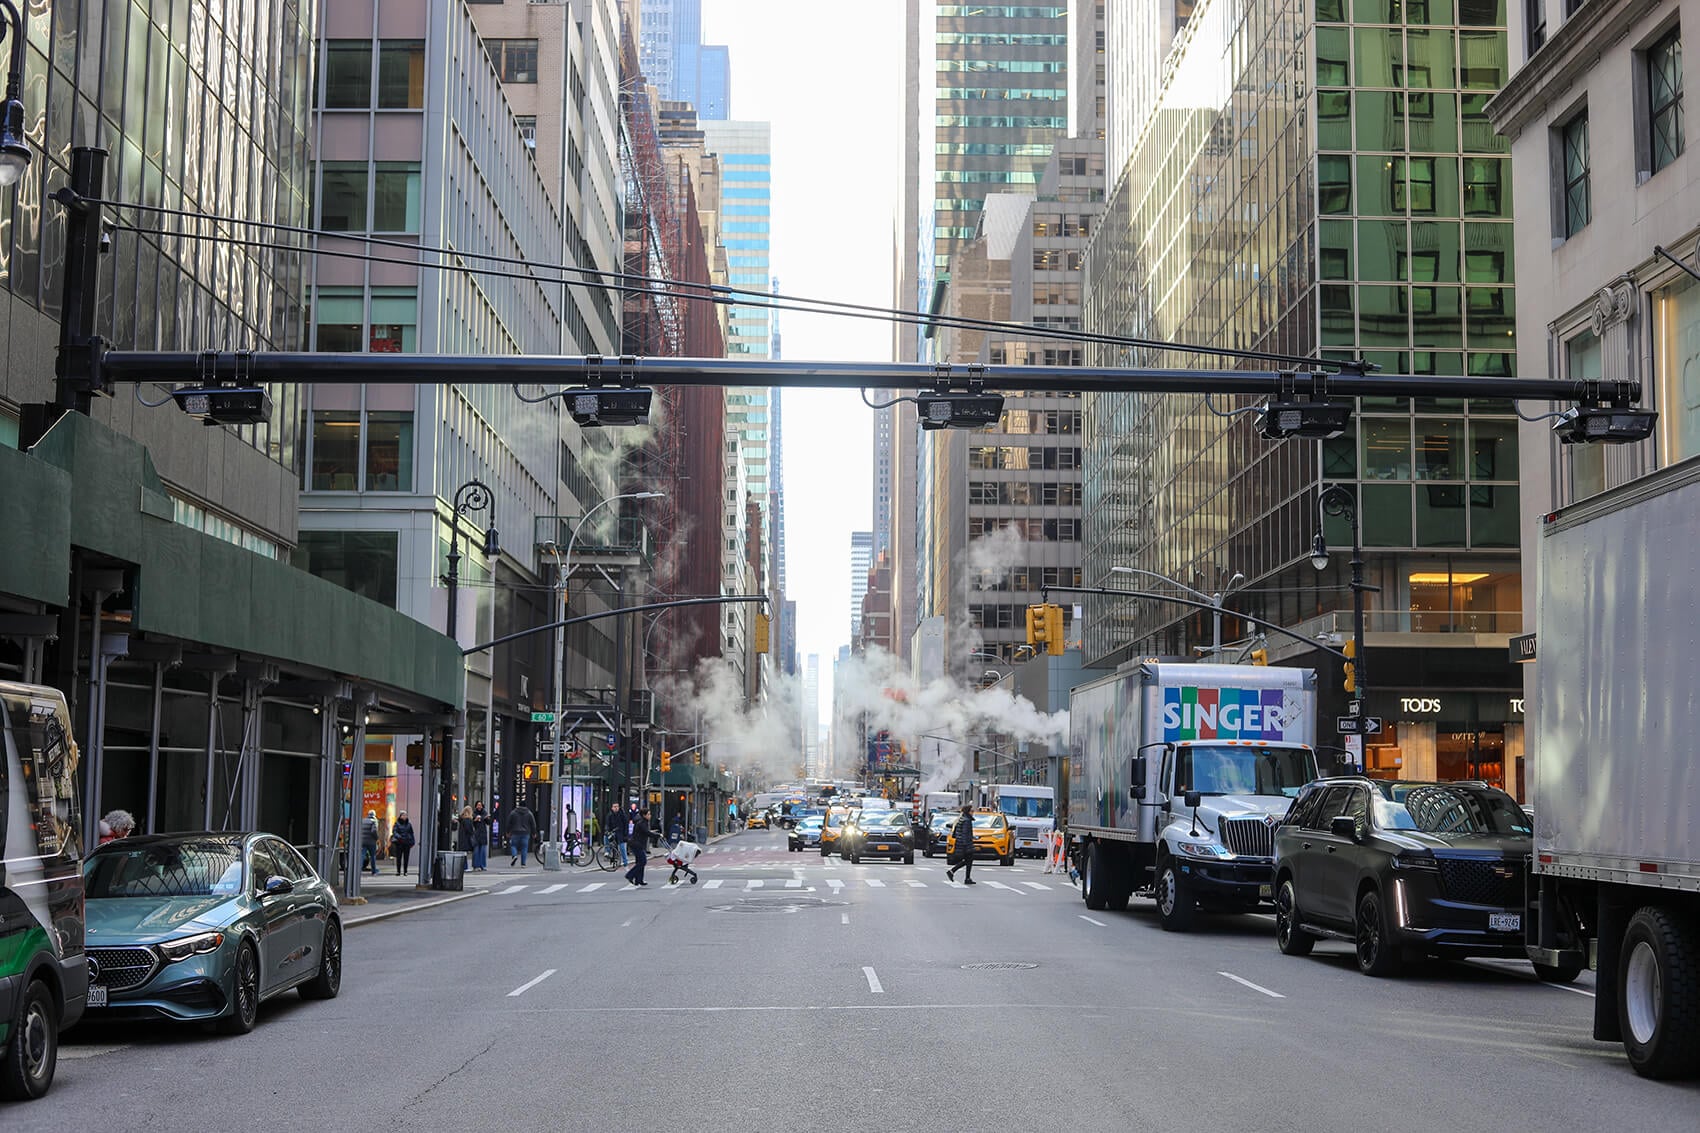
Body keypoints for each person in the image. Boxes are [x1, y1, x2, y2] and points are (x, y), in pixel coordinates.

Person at [946, 805, 976, 885]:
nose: (973, 813)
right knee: (968, 860)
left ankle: (965, 877)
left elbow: (955, 833)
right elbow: (965, 833)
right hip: (965, 844)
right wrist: (967, 845)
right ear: (968, 811)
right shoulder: (967, 821)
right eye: (972, 811)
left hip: (960, 843)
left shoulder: (960, 819)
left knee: (968, 860)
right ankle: (954, 872)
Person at [624, 808, 651, 887]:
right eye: (648, 814)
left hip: (638, 844)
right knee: (643, 861)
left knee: (640, 862)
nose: (650, 816)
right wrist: (657, 835)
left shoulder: (642, 821)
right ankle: (630, 875)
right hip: (637, 844)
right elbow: (646, 832)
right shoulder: (642, 822)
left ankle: (639, 880)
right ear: (644, 815)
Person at [508, 800, 537, 866]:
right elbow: (533, 824)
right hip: (525, 833)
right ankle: (523, 863)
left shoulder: (513, 813)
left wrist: (508, 831)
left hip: (515, 832)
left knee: (513, 845)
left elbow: (509, 823)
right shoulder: (529, 813)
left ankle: (514, 855)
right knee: (524, 848)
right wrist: (534, 833)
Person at [360, 810, 381, 875]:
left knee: (362, 855)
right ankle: (374, 871)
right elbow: (373, 831)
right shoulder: (374, 821)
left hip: (363, 841)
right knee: (372, 856)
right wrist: (377, 838)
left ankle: (359, 870)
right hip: (371, 842)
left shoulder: (363, 820)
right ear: (374, 815)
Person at [470, 803, 490, 870]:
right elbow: (471, 822)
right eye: (478, 805)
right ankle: (476, 865)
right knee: (476, 850)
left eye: (480, 805)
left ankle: (482, 865)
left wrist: (487, 818)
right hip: (476, 834)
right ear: (476, 806)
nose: (479, 806)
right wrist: (475, 819)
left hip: (483, 834)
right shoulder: (473, 813)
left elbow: (488, 822)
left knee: (483, 851)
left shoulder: (485, 813)